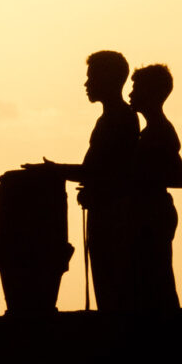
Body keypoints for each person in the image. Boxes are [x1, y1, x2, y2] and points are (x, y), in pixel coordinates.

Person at [22, 51, 139, 311]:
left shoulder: (119, 119)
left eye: (91, 77)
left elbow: (99, 170)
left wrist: (54, 171)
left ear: (108, 79)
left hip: (112, 216)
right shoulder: (114, 118)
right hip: (107, 212)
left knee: (112, 289)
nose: (87, 84)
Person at [128, 64, 182, 310]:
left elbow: (180, 178)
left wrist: (141, 178)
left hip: (154, 214)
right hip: (151, 213)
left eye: (136, 88)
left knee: (157, 279)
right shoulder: (152, 131)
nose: (130, 94)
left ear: (150, 93)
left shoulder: (159, 131)